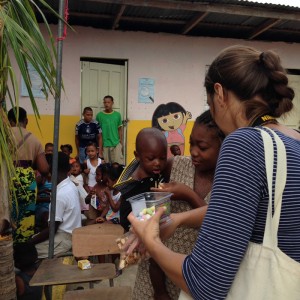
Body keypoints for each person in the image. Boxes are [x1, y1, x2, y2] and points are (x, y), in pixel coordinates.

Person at [128, 45, 300, 299]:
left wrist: (150, 240)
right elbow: (242, 209)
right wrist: (178, 220)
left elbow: (205, 283)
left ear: (219, 93)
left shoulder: (244, 143)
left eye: (210, 104)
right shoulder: (294, 141)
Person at [132, 110, 224, 300]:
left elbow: (217, 221)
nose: (194, 152)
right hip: (156, 275)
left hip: (193, 276)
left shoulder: (229, 181)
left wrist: (187, 194)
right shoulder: (176, 165)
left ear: (224, 146)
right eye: (191, 143)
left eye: (203, 147)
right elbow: (143, 172)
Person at [8, 107, 49, 244]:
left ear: (9, 121)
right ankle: (21, 252)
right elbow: (44, 168)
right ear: (26, 120)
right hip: (26, 181)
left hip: (6, 178)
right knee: (25, 220)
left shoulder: (5, 136)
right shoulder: (34, 139)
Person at [29, 152, 81, 259]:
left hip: (64, 239)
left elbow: (52, 229)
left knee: (24, 253)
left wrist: (29, 242)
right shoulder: (70, 184)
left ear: (51, 169)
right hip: (72, 235)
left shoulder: (60, 193)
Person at [96, 95, 124, 164]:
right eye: (105, 102)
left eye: (108, 102)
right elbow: (98, 132)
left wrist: (121, 143)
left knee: (118, 165)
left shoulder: (117, 115)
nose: (106, 104)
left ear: (112, 103)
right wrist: (100, 147)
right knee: (106, 166)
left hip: (116, 144)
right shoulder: (99, 115)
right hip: (105, 145)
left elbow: (119, 129)